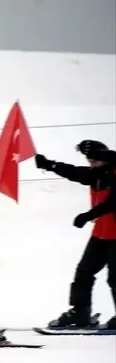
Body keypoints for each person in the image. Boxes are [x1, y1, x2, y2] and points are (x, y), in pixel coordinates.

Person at [35, 140, 116, 330]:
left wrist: (88, 216)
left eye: (94, 162)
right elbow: (75, 172)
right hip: (101, 233)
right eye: (89, 162)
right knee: (84, 273)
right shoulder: (96, 174)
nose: (91, 165)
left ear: (104, 159)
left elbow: (113, 202)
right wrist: (50, 165)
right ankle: (80, 313)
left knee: (115, 277)